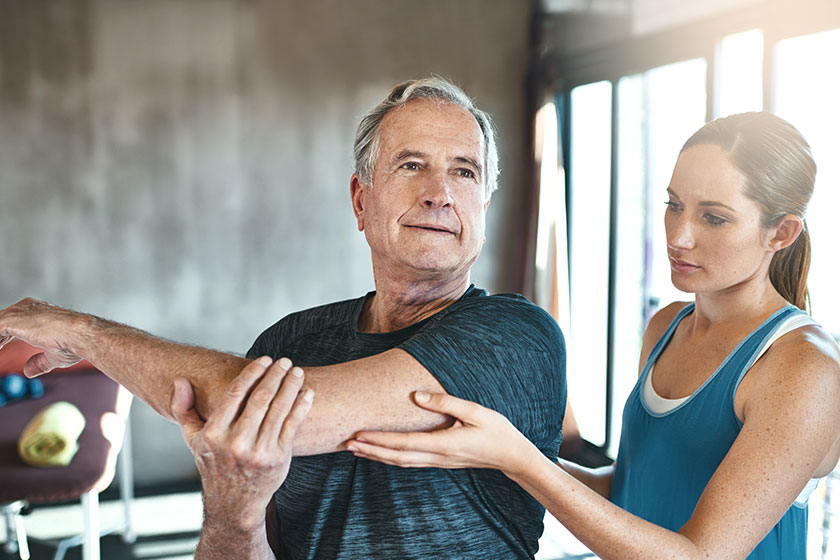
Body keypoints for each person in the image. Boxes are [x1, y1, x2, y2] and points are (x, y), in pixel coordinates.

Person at [0, 77, 567, 559]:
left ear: (482, 207)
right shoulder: (291, 341)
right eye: (411, 164)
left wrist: (84, 332)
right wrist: (233, 517)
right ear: (360, 200)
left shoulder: (518, 337)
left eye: (465, 172)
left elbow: (270, 410)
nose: (440, 192)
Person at [346, 111, 840, 559]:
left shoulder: (804, 368)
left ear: (781, 233)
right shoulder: (666, 326)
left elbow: (698, 556)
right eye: (673, 205)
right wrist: (493, 447)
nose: (678, 235)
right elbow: (627, 490)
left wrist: (518, 459)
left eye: (714, 217)